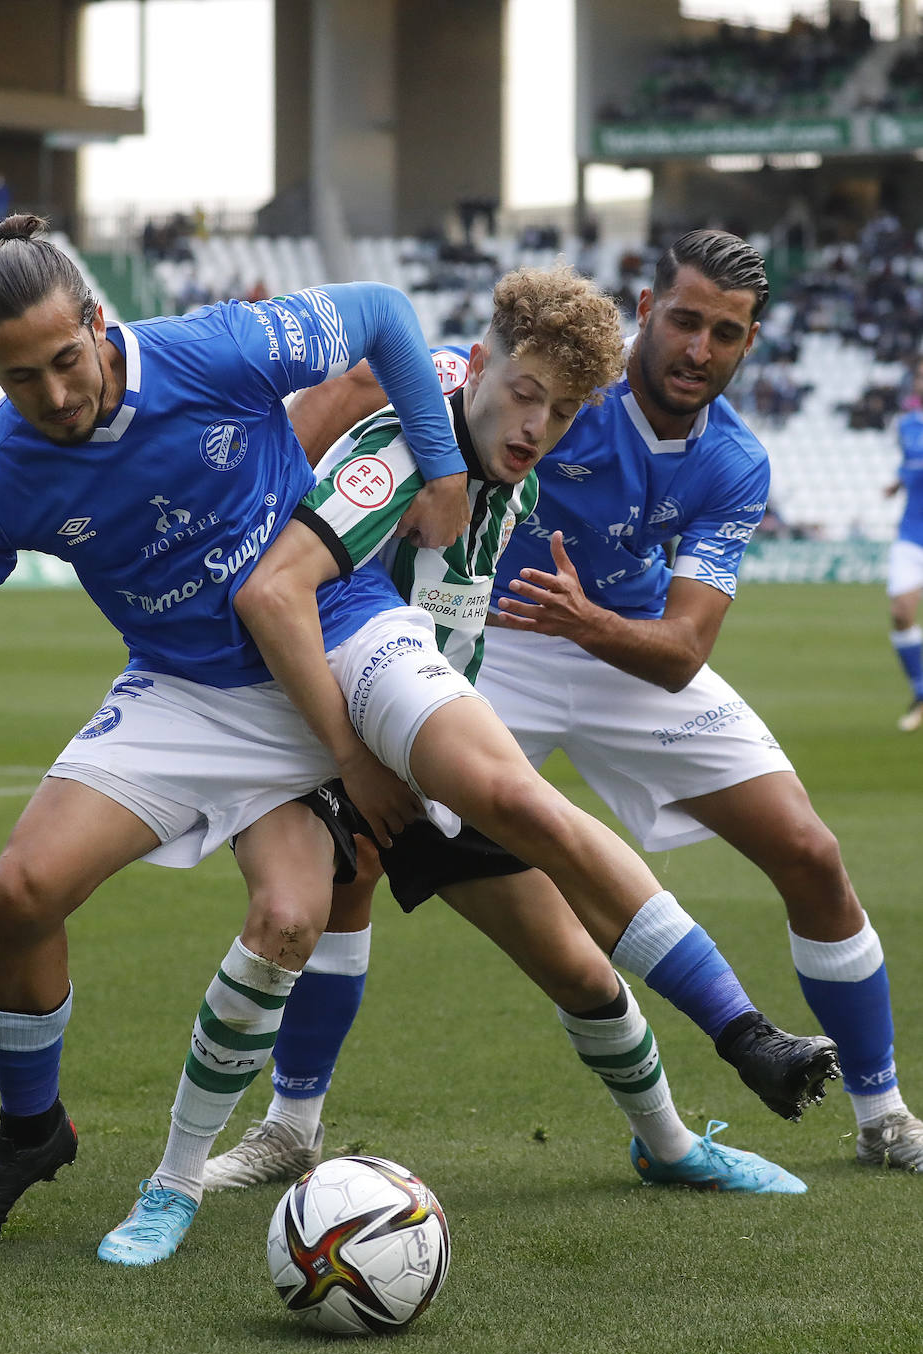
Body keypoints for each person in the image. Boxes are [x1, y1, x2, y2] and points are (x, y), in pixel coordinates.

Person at [218, 227, 923, 1177]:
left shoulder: (733, 464)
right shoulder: (557, 380)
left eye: (724, 332)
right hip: (490, 641)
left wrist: (590, 622)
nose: (697, 349)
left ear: (749, 344)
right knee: (356, 858)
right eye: (683, 321)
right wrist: (265, 523)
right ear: (645, 312)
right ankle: (290, 1128)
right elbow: (360, 384)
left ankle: (881, 1117)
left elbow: (680, 655)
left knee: (808, 850)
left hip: (621, 648)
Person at [0, 213, 473, 1253]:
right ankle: (31, 1129)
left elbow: (386, 319)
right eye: (20, 378)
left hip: (319, 649)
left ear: (97, 320)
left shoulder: (215, 351)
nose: (54, 396)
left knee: (297, 915)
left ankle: (670, 1093)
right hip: (181, 690)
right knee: (19, 892)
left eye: (66, 360)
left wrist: (441, 469)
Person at [885, 356, 923, 732]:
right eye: (919, 374)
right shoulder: (908, 424)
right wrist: (896, 484)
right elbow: (909, 464)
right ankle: (921, 691)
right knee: (901, 612)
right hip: (912, 533)